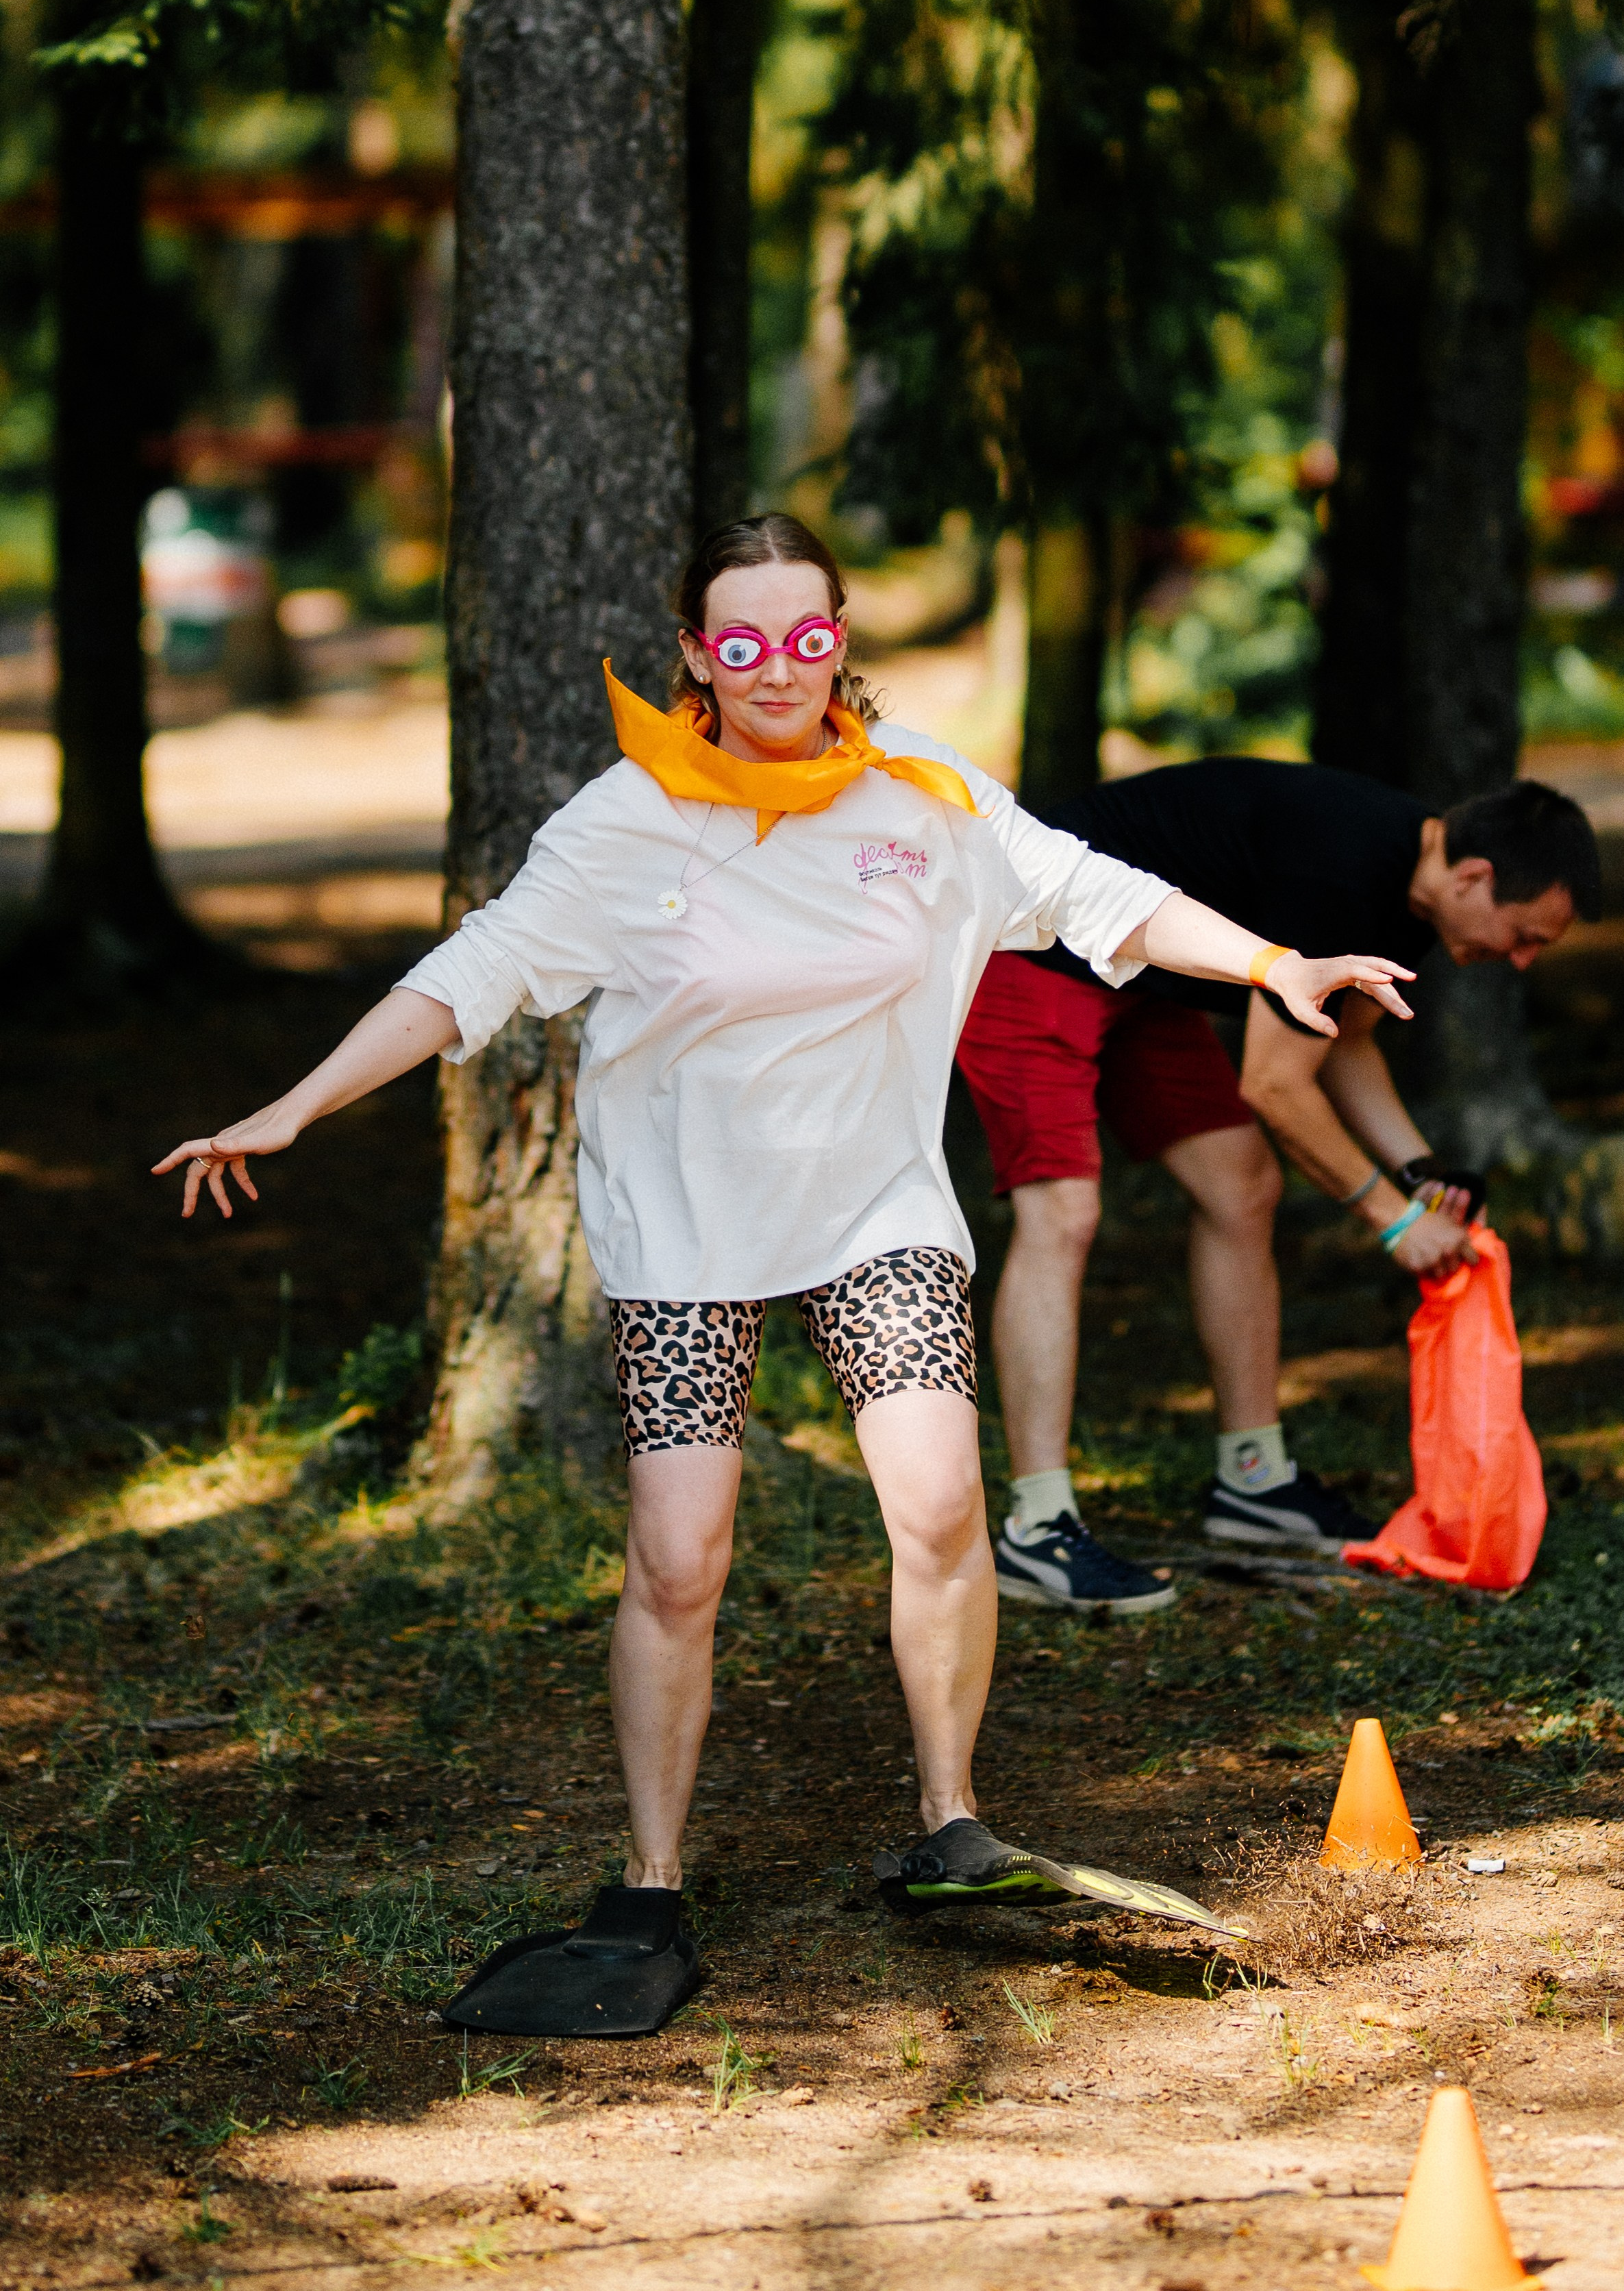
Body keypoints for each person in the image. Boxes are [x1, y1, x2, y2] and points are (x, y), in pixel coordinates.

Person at [153, 517, 1414, 2032]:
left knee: (944, 1503)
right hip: (685, 1225)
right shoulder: (627, 823)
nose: (775, 668)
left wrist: (1277, 966)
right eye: (739, 642)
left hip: (873, 1208)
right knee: (681, 1555)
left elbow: (1101, 893)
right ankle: (650, 1879)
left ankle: (952, 1817)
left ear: (840, 637)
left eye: (804, 635)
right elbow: (468, 976)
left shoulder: (926, 796)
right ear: (696, 652)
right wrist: (294, 1101)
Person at [955, 760, 1600, 1613]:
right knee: (1064, 1213)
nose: (1518, 962)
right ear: (1474, 876)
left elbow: (1346, 1042)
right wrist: (1389, 1215)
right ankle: (1037, 1526)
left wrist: (1424, 1173)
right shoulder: (1344, 863)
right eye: (1524, 935)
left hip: (1140, 974)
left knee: (1243, 1186)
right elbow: (1275, 1082)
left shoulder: (1415, 890)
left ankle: (1251, 1480)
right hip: (1032, 947)